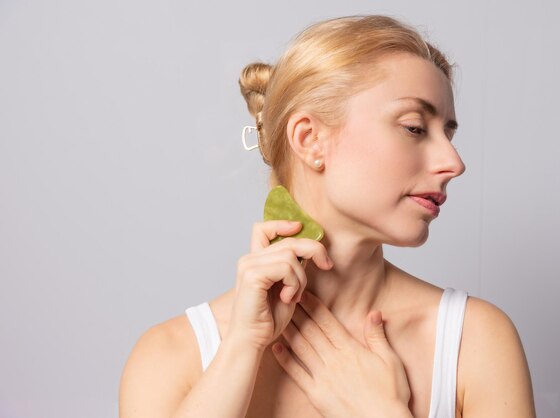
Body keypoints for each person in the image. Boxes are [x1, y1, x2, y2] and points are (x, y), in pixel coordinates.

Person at [119, 15, 536, 418]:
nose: (453, 162)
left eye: (448, 133)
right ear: (309, 139)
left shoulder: (475, 342)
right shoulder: (170, 356)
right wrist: (242, 346)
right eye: (414, 127)